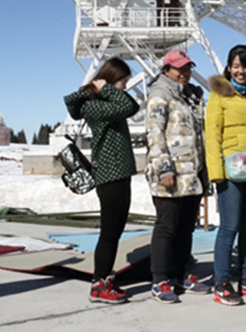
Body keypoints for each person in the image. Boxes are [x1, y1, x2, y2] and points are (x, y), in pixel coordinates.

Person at [64, 57, 139, 304]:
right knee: (109, 232)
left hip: (119, 173)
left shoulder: (107, 102)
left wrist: (108, 89)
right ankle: (99, 284)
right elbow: (129, 107)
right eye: (123, 82)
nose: (125, 87)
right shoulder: (93, 107)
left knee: (115, 230)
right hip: (110, 174)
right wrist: (106, 88)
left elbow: (130, 104)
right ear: (109, 80)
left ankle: (105, 277)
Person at [205, 44, 246, 306]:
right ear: (229, 68)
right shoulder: (219, 94)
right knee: (229, 226)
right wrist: (215, 172)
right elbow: (212, 134)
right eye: (236, 66)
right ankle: (221, 282)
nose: (241, 71)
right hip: (230, 168)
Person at [146, 48, 210, 303]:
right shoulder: (160, 95)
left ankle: (181, 273)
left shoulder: (190, 96)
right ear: (166, 70)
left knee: (185, 228)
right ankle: (160, 279)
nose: (184, 73)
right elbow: (155, 134)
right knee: (167, 227)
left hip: (192, 173)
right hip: (170, 173)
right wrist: (164, 168)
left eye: (187, 68)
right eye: (179, 68)